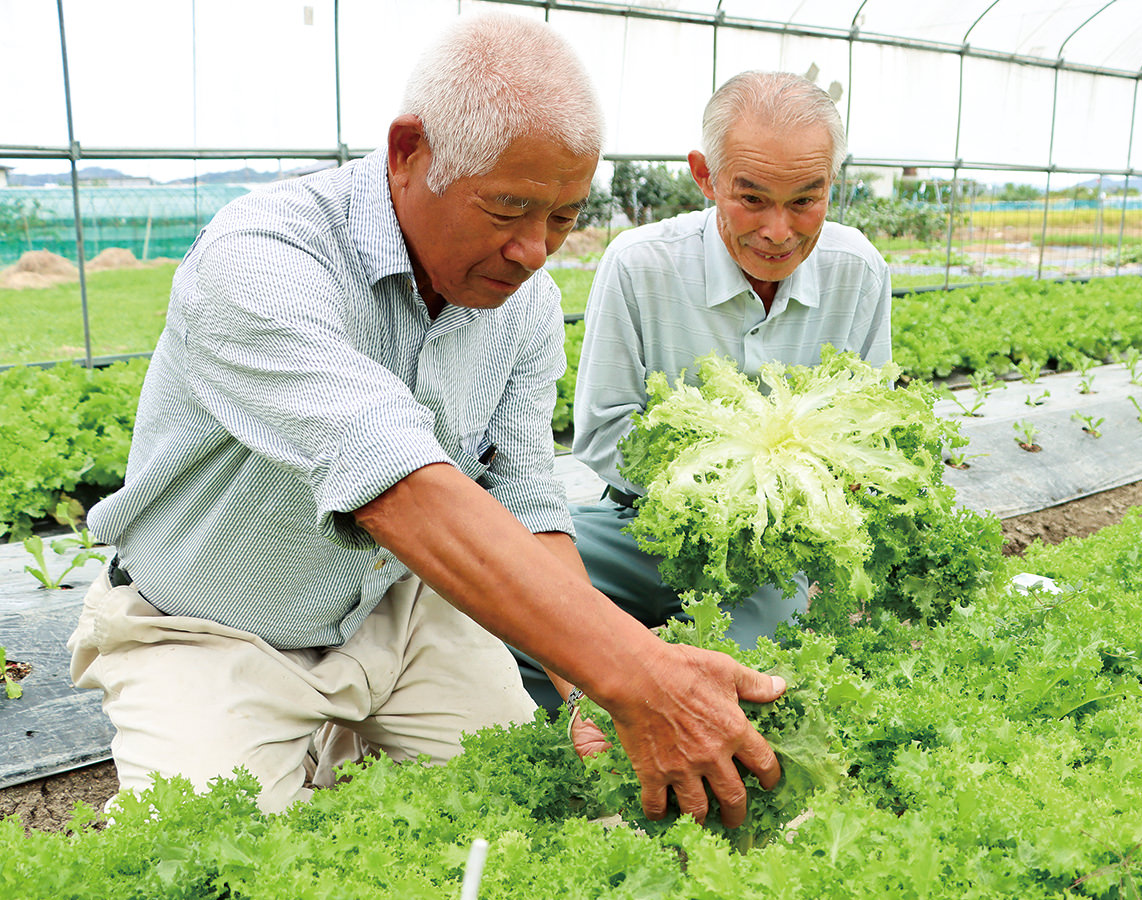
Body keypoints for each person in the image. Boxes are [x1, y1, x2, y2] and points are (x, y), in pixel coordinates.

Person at [68, 13, 785, 829]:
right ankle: (293, 741)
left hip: (404, 613)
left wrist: (586, 679)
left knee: (540, 814)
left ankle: (336, 744)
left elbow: (525, 495)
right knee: (207, 851)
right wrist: (635, 669)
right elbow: (392, 482)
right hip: (209, 628)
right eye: (508, 208)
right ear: (409, 152)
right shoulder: (262, 258)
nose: (535, 251)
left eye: (561, 217)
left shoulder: (526, 302)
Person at [515, 70, 891, 711]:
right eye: (752, 199)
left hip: (777, 548)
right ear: (706, 176)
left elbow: (872, 421)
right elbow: (604, 432)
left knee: (752, 686)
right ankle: (584, 739)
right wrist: (726, 481)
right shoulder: (640, 264)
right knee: (514, 601)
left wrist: (793, 499)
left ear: (833, 184)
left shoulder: (858, 272)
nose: (779, 230)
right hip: (646, 525)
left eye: (807, 200)